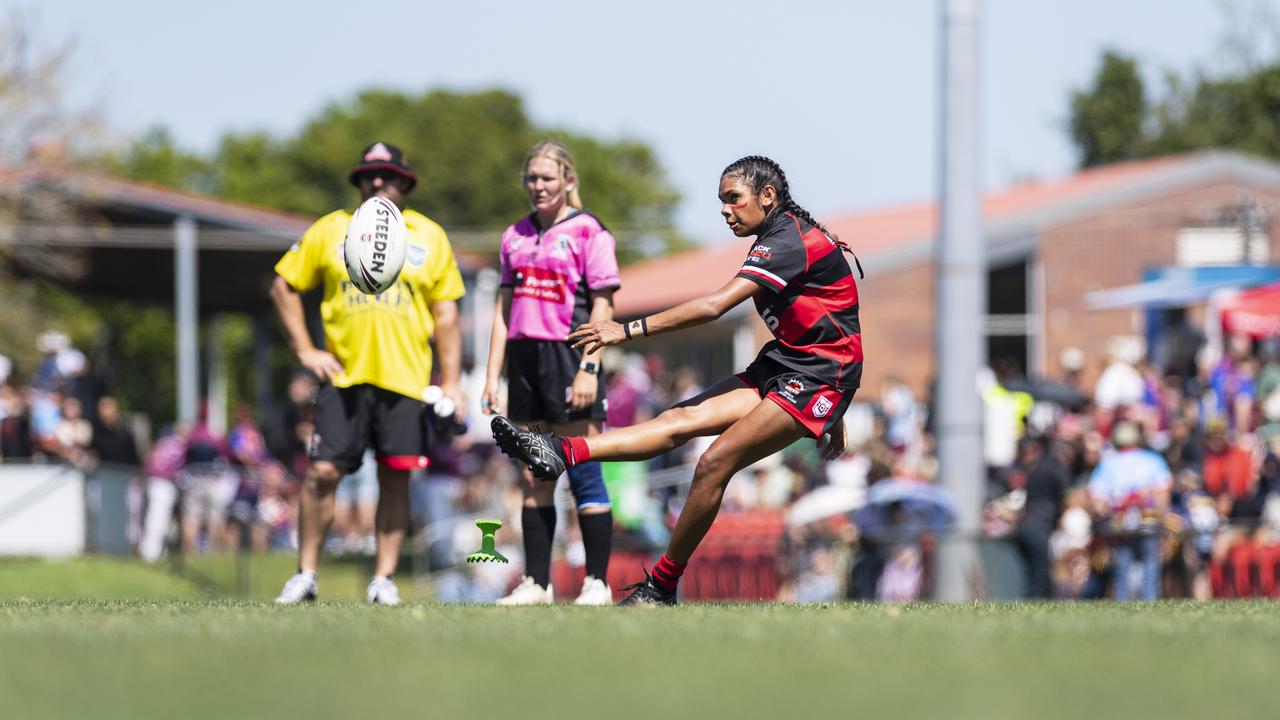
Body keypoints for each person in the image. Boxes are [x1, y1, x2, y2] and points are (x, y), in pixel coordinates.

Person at [491, 155, 861, 605]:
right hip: (788, 364)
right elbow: (836, 319)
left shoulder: (786, 239)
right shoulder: (778, 234)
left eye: (733, 199)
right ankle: (560, 449)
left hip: (817, 375)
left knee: (713, 463)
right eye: (721, 201)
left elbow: (713, 307)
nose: (725, 210)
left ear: (768, 196)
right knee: (679, 418)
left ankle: (661, 586)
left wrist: (623, 330)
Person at [271, 141, 466, 605]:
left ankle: (383, 579)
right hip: (343, 379)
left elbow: (447, 317)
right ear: (358, 182)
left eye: (388, 175)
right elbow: (284, 286)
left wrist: (453, 383)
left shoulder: (429, 235)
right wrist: (305, 350)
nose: (378, 182)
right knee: (321, 473)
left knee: (395, 478)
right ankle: (306, 574)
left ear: (406, 183)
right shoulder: (330, 229)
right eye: (369, 175)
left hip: (407, 381)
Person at [480, 141, 619, 605]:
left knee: (582, 468)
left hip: (569, 357)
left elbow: (602, 304)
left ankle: (596, 582)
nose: (538, 186)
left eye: (547, 178)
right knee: (533, 475)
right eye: (531, 179)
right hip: (523, 364)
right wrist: (491, 376)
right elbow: (503, 311)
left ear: (568, 180)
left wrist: (589, 367)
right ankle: (536, 584)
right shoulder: (513, 236)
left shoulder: (588, 231)